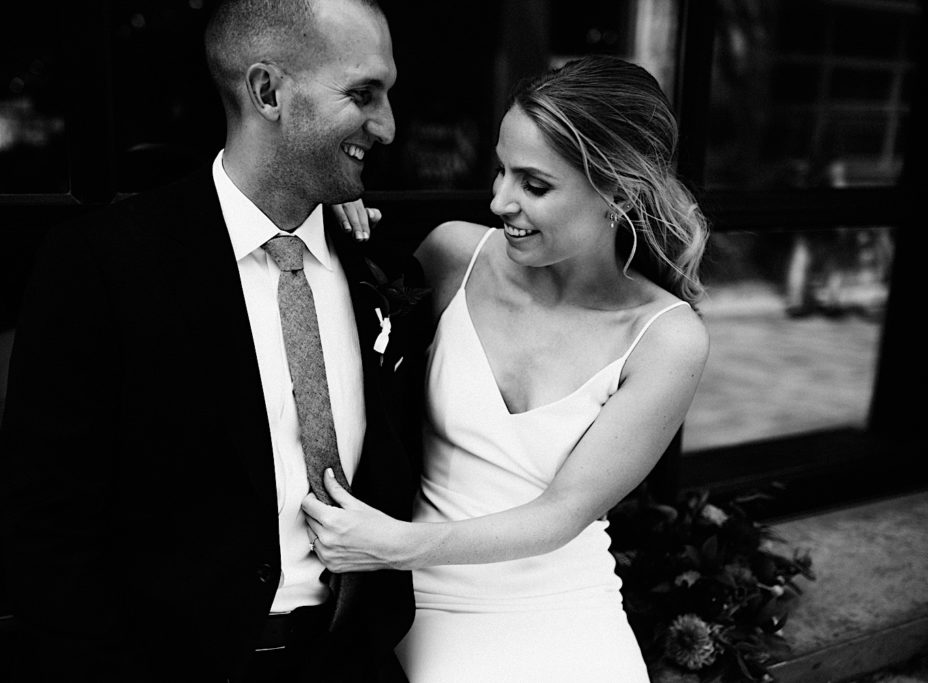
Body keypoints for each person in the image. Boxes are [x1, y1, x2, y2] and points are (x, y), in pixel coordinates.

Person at [0, 1, 429, 681]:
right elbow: (44, 523)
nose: (389, 125)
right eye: (362, 93)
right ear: (267, 91)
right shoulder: (105, 264)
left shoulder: (382, 262)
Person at [304, 54, 711, 681]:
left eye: (534, 185)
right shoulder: (453, 255)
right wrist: (330, 231)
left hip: (563, 607)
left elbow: (563, 513)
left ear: (619, 193)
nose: (499, 201)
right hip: (425, 603)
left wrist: (390, 544)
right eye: (501, 171)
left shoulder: (666, 340)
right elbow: (351, 353)